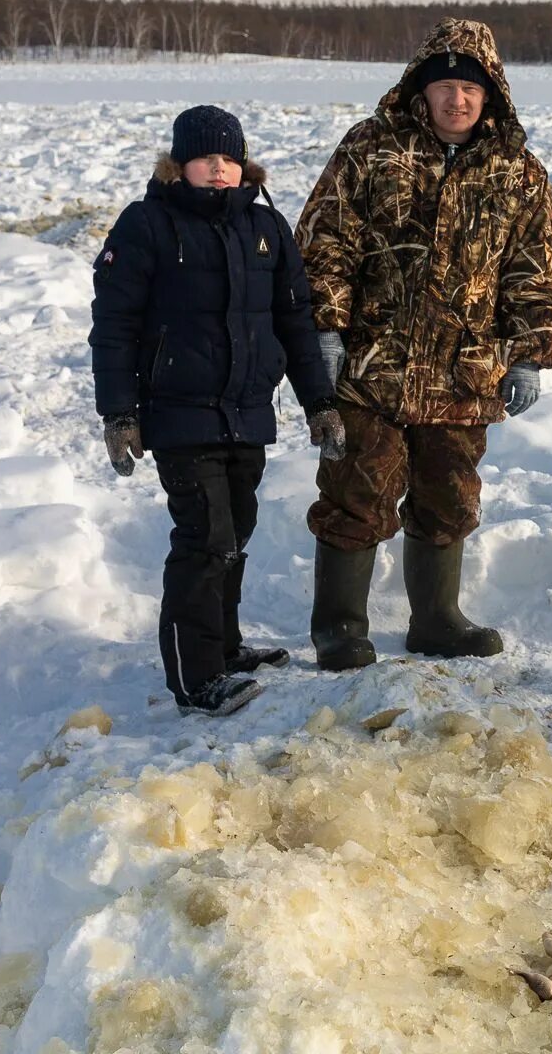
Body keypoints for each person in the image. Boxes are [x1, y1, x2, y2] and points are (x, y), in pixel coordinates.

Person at [298, 18, 552, 671]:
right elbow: (324, 244)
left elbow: (531, 270)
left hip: (465, 371)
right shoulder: (370, 149)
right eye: (445, 87)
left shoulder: (518, 173)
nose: (457, 100)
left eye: (471, 90)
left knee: (449, 496)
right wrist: (326, 330)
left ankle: (437, 621)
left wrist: (529, 352)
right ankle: (339, 625)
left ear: (491, 95)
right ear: (422, 89)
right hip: (371, 365)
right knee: (355, 490)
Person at [89, 106, 345, 716]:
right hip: (180, 413)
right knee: (205, 539)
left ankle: (225, 648)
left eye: (229, 158)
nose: (219, 169)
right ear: (180, 164)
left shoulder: (265, 228)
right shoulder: (145, 225)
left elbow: (295, 323)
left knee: (236, 533)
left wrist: (319, 403)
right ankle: (195, 677)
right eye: (207, 158)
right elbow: (114, 326)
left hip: (246, 411)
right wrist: (119, 412)